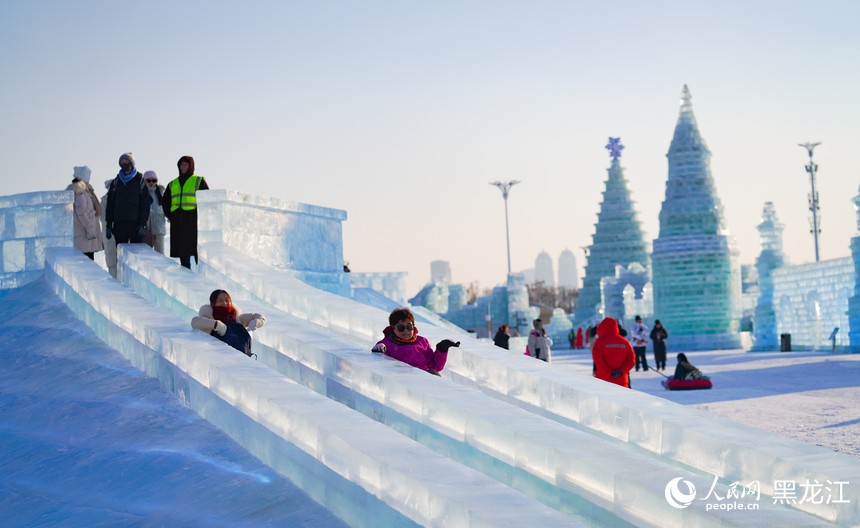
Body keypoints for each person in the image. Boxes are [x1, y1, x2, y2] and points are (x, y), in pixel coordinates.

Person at [371, 307, 459, 375]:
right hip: (402, 380)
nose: (406, 331)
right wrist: (379, 349)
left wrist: (441, 350)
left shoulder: (422, 342)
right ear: (393, 328)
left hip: (423, 379)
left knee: (434, 373)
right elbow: (380, 356)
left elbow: (435, 366)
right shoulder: (388, 343)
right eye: (401, 328)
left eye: (409, 327)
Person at [162, 155, 209, 269]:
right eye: (181, 165)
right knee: (183, 251)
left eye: (186, 165)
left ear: (191, 166)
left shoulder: (199, 181)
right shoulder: (172, 184)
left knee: (196, 249)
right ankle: (186, 274)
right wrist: (171, 216)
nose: (183, 167)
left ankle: (200, 273)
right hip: (178, 221)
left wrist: (201, 217)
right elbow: (165, 201)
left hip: (193, 220)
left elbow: (207, 199)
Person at [191, 289, 266, 357]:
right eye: (220, 300)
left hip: (239, 359)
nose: (224, 303)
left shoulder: (236, 317)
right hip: (216, 357)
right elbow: (195, 321)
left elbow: (259, 317)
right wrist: (217, 325)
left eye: (227, 300)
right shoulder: (209, 315)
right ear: (213, 303)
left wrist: (257, 322)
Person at [105, 152, 151, 246]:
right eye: (122, 161)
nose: (124, 163)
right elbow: (110, 204)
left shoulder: (140, 180)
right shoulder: (116, 182)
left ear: (131, 163)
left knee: (137, 254)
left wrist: (143, 223)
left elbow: (145, 203)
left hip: (136, 224)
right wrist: (109, 225)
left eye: (126, 161)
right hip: (119, 224)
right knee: (121, 255)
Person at [66, 166, 104, 260]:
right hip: (85, 236)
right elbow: (81, 213)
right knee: (87, 266)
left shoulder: (84, 192)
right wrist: (90, 231)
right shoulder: (80, 193)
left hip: (85, 237)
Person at [591, 317, 636, 388]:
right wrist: (621, 371)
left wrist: (609, 373)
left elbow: (598, 360)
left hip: (603, 381)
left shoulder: (599, 342)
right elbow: (631, 360)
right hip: (621, 381)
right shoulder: (624, 342)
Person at [143, 170, 167, 255]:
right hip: (146, 229)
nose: (151, 183)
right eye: (148, 180)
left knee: (160, 254)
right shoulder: (141, 193)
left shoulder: (161, 193)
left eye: (154, 180)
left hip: (159, 228)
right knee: (146, 255)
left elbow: (167, 208)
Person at [99, 179, 117, 277]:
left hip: (117, 233)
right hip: (109, 234)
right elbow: (103, 219)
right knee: (112, 261)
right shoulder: (105, 201)